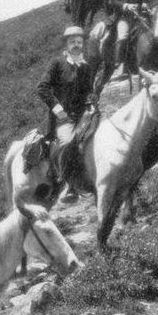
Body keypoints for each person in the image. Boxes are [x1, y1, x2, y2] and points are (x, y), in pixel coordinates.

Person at [35, 26, 101, 200]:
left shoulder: (86, 67)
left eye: (79, 42)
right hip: (62, 118)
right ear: (66, 44)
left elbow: (88, 90)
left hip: (83, 115)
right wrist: (58, 110)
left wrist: (91, 100)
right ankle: (68, 185)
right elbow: (42, 88)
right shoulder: (57, 63)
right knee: (67, 141)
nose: (76, 45)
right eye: (72, 42)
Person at [100, 0, 152, 90]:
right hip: (124, 17)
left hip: (139, 17)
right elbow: (111, 0)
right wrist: (125, 5)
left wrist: (145, 5)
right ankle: (119, 65)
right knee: (123, 35)